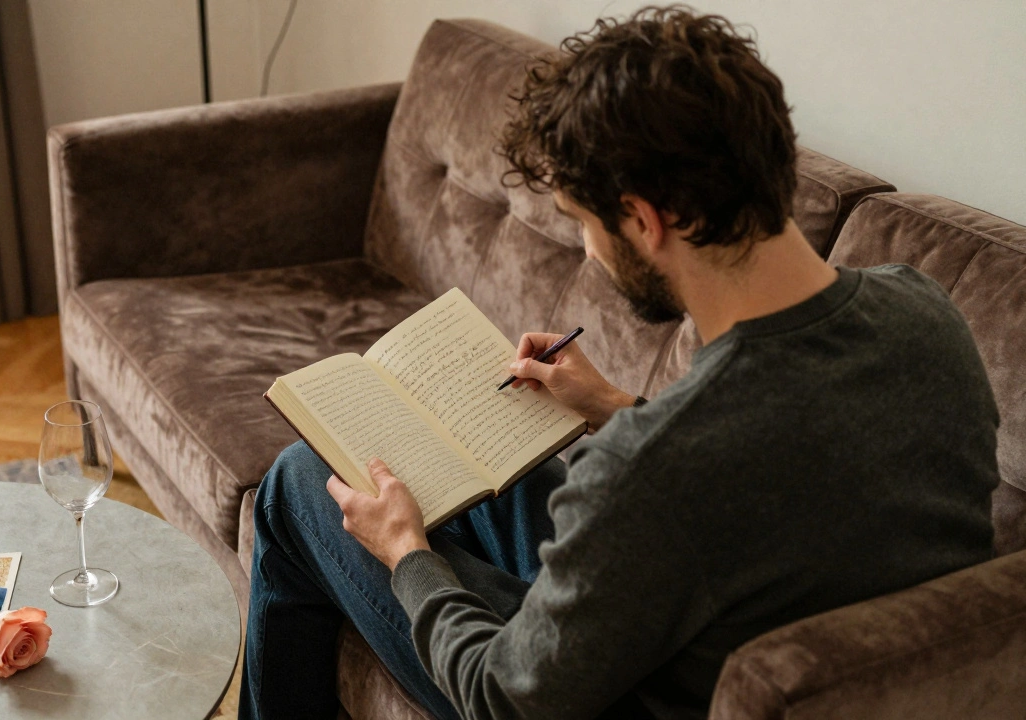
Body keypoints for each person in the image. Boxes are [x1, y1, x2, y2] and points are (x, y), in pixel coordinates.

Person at [239, 6, 1001, 720]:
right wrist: (611, 406)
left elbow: (504, 696)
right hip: (722, 607)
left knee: (301, 483)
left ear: (643, 219)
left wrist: (407, 553)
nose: (594, 257)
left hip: (607, 689)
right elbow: (777, 475)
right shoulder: (926, 312)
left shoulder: (660, 466)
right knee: (456, 468)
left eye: (586, 227)